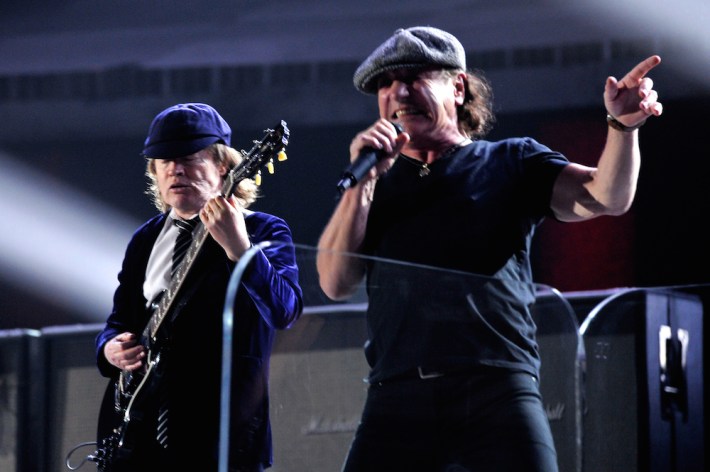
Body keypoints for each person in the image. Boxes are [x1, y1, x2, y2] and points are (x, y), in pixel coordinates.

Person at [316, 26, 662, 472]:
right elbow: (334, 282)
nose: (398, 92)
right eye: (385, 83)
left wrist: (622, 127)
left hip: (496, 390)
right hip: (398, 396)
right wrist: (362, 183)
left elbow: (606, 196)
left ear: (458, 87)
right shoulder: (373, 186)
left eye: (415, 77)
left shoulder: (510, 161)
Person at [94, 103, 303, 472]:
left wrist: (241, 250)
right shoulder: (144, 240)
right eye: (164, 160)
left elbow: (284, 310)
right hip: (142, 432)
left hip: (223, 434)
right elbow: (118, 321)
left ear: (222, 165)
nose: (175, 169)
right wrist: (110, 348)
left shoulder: (263, 230)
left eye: (189, 157)